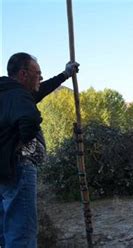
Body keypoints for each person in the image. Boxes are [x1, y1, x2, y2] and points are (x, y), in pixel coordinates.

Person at [0, 52, 79, 247]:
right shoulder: (18, 95)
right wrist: (23, 144)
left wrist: (64, 75)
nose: (41, 77)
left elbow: (39, 90)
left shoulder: (7, 93)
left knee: (7, 230)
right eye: (38, 73)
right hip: (18, 169)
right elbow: (30, 119)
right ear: (24, 74)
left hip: (4, 171)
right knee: (22, 234)